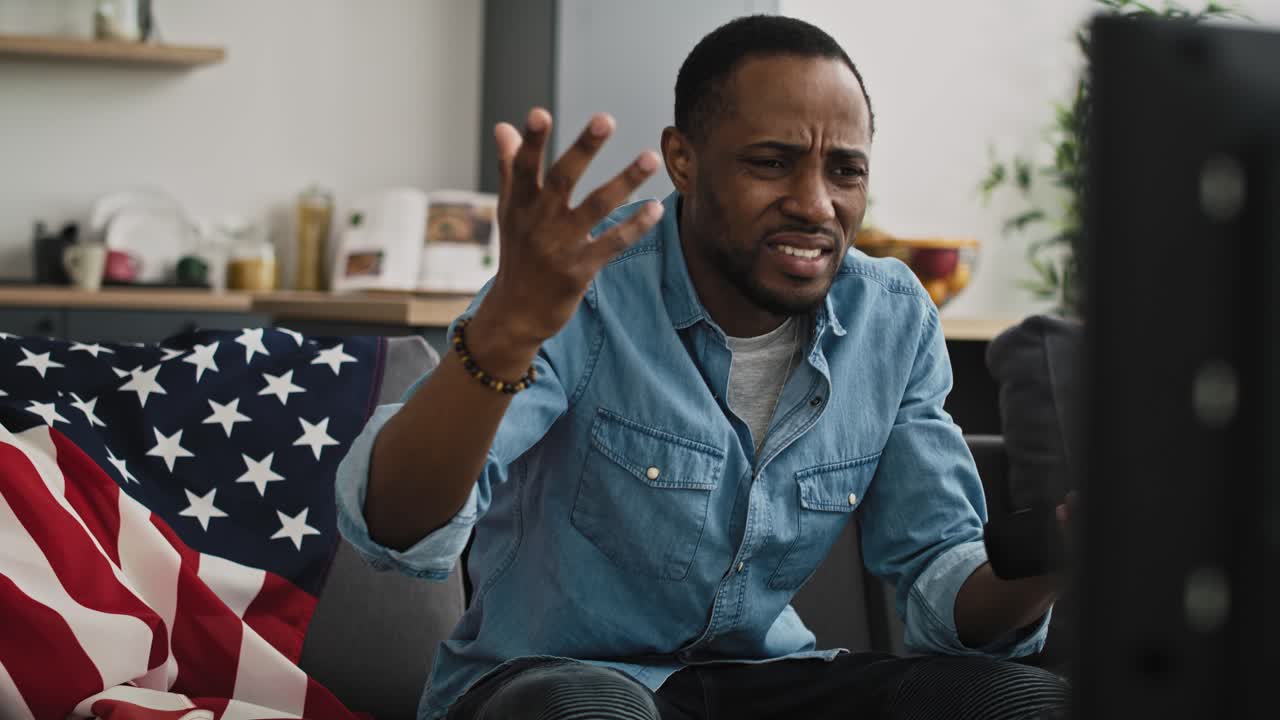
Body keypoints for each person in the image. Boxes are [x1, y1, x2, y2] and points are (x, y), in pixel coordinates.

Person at [336, 14, 1070, 720]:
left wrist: (1065, 548)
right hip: (553, 681)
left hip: (767, 681)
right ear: (683, 159)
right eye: (771, 162)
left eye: (844, 171)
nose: (815, 204)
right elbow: (394, 525)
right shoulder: (579, 288)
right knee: (591, 708)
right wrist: (500, 337)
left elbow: (946, 591)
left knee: (1026, 701)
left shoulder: (891, 317)